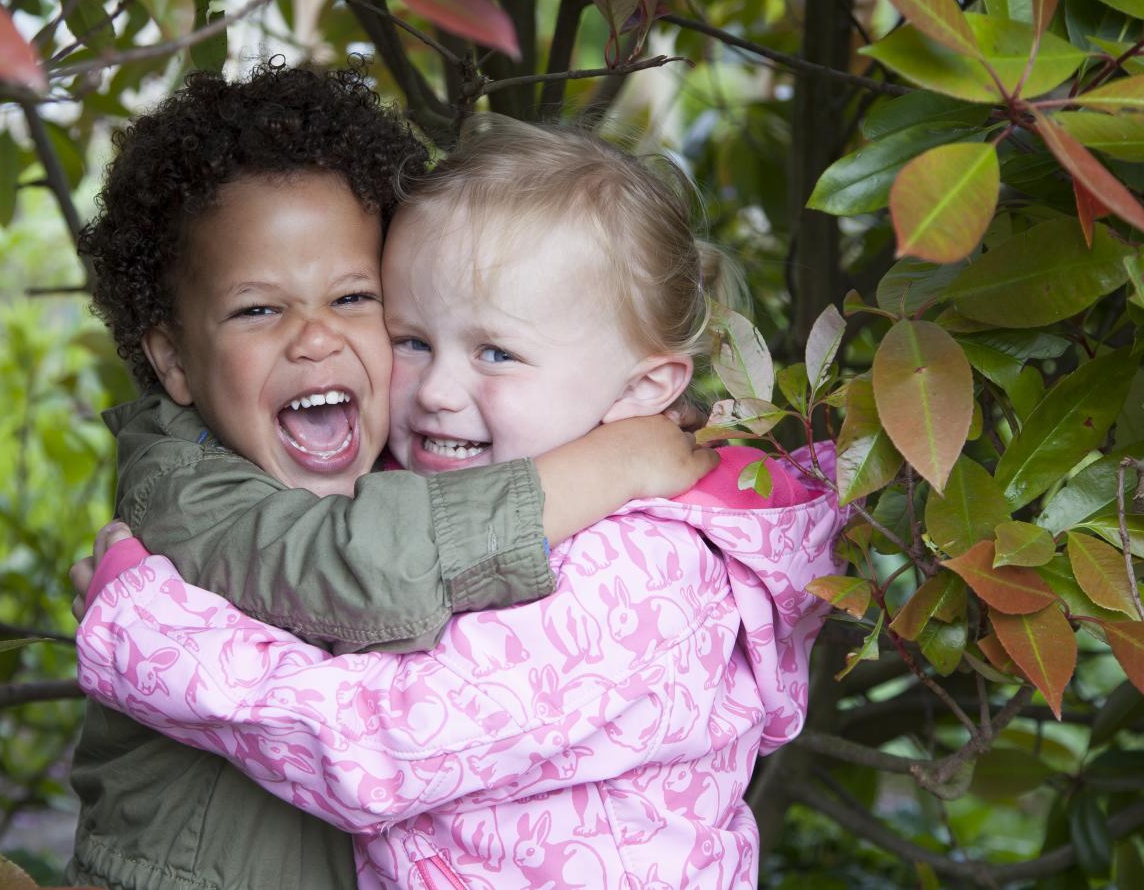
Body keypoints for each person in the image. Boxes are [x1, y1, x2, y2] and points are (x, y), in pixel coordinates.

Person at [74, 115, 850, 889]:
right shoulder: (395, 481)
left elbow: (380, 753)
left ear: (646, 387)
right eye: (411, 339)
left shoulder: (642, 574)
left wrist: (150, 636)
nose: (438, 392)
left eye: (496, 352)